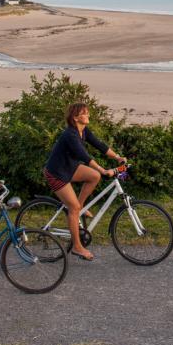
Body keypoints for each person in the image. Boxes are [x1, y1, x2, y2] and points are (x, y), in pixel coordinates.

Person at [43, 102, 126, 261]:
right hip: (56, 173)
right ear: (75, 118)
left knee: (94, 177)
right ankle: (77, 246)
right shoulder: (70, 135)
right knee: (73, 207)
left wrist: (117, 157)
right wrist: (103, 170)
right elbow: (85, 157)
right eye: (84, 113)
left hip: (69, 168)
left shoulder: (84, 131)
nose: (88, 115)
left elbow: (100, 145)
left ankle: (79, 208)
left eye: (88, 112)